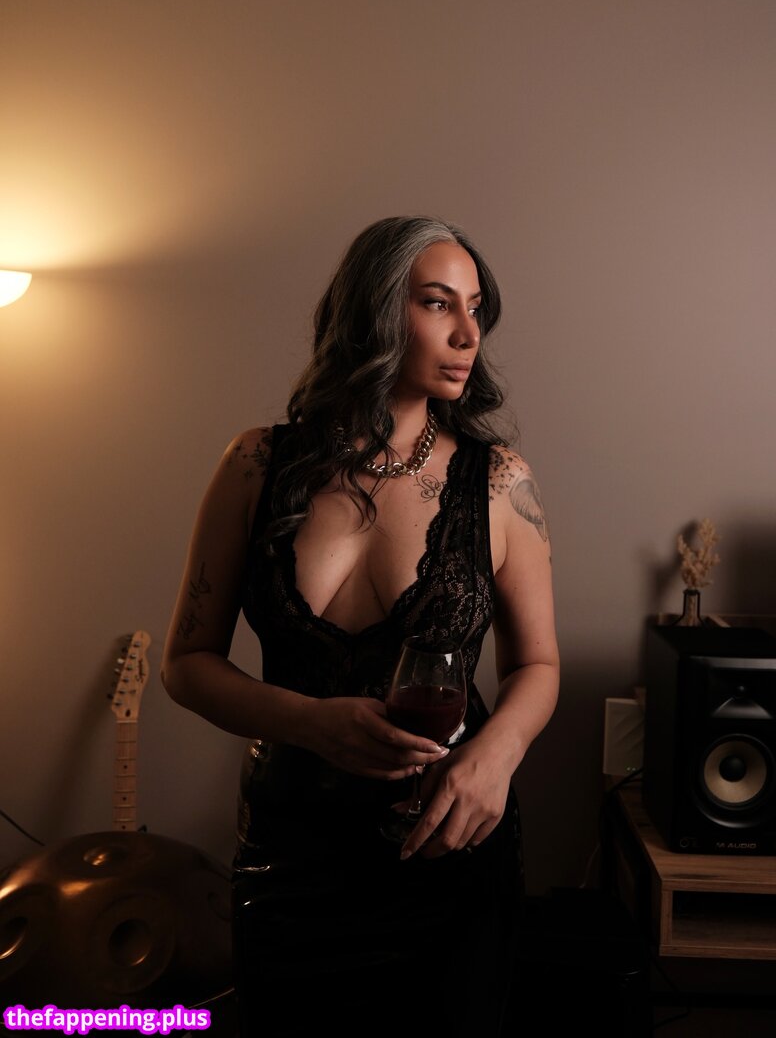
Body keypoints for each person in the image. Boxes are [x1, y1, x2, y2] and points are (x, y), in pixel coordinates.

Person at [162, 216, 559, 1037]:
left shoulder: (499, 481)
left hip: (448, 845)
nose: (468, 334)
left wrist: (497, 756)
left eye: (476, 309)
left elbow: (539, 666)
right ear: (375, 311)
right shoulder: (254, 466)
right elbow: (187, 662)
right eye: (438, 303)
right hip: (291, 853)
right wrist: (311, 722)